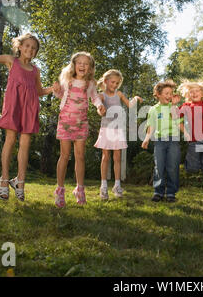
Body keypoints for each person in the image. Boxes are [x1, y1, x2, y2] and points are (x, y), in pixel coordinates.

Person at [0, 19, 53, 202]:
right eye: (27, 46)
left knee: (25, 144)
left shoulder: (36, 70)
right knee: (10, 140)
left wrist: (53, 89)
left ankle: (20, 182)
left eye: (34, 48)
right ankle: (3, 179)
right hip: (13, 105)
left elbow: (39, 91)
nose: (30, 50)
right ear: (20, 46)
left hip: (30, 108)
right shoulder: (12, 61)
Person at [52, 52, 106, 208]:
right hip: (65, 121)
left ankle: (80, 189)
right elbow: (60, 95)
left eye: (86, 63)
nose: (82, 65)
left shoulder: (90, 84)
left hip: (81, 122)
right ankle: (60, 190)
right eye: (79, 62)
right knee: (64, 155)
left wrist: (99, 107)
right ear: (73, 65)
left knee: (80, 156)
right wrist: (56, 90)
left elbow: (95, 97)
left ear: (90, 68)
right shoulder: (67, 80)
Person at [94, 69, 143, 200]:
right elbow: (98, 107)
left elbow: (130, 105)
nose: (114, 85)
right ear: (106, 81)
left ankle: (117, 185)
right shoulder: (102, 95)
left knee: (117, 157)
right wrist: (101, 110)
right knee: (105, 157)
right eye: (112, 82)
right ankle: (103, 186)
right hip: (106, 129)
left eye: (117, 83)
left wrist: (136, 99)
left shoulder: (119, 94)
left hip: (118, 130)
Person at [142, 80, 182, 203]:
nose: (169, 96)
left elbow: (178, 122)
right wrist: (146, 139)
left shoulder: (173, 107)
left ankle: (170, 193)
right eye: (166, 93)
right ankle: (158, 192)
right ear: (158, 94)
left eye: (171, 93)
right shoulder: (154, 109)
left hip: (173, 140)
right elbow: (151, 126)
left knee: (172, 167)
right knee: (159, 166)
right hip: (159, 141)